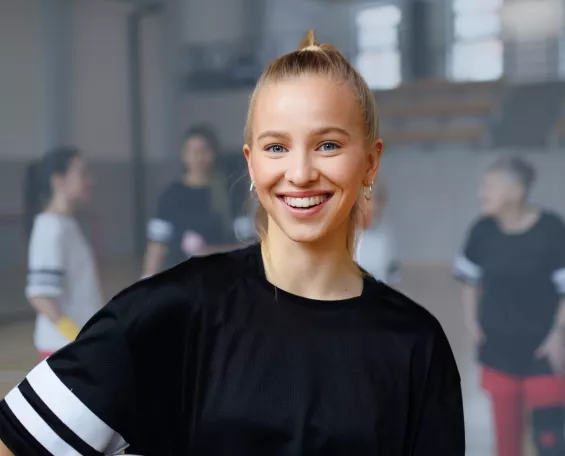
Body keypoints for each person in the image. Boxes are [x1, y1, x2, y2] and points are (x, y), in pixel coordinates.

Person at [0, 30, 464, 456]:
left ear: (370, 162)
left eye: (328, 145)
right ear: (251, 163)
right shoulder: (167, 312)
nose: (299, 173)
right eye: (276, 147)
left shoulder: (416, 345)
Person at [454, 156, 565, 456]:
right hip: (497, 348)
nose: (481, 193)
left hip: (543, 350)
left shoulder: (552, 229)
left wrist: (558, 334)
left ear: (516, 191)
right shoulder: (482, 231)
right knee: (507, 443)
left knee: (552, 441)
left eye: (488, 186)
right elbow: (468, 278)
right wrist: (472, 321)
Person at [21, 146, 102, 361]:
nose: (89, 180)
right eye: (82, 173)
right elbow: (39, 295)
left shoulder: (67, 225)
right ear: (58, 181)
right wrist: (75, 335)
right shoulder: (50, 228)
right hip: (61, 348)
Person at [142, 125, 236, 276]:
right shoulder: (171, 195)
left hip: (224, 278)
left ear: (214, 153)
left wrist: (214, 253)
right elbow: (157, 244)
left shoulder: (230, 193)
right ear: (183, 155)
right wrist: (146, 281)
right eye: (191, 151)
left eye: (204, 150)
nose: (198, 157)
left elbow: (250, 244)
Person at [355, 179, 400, 284]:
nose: (372, 208)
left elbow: (391, 273)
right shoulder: (342, 237)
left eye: (374, 201)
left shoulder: (383, 237)